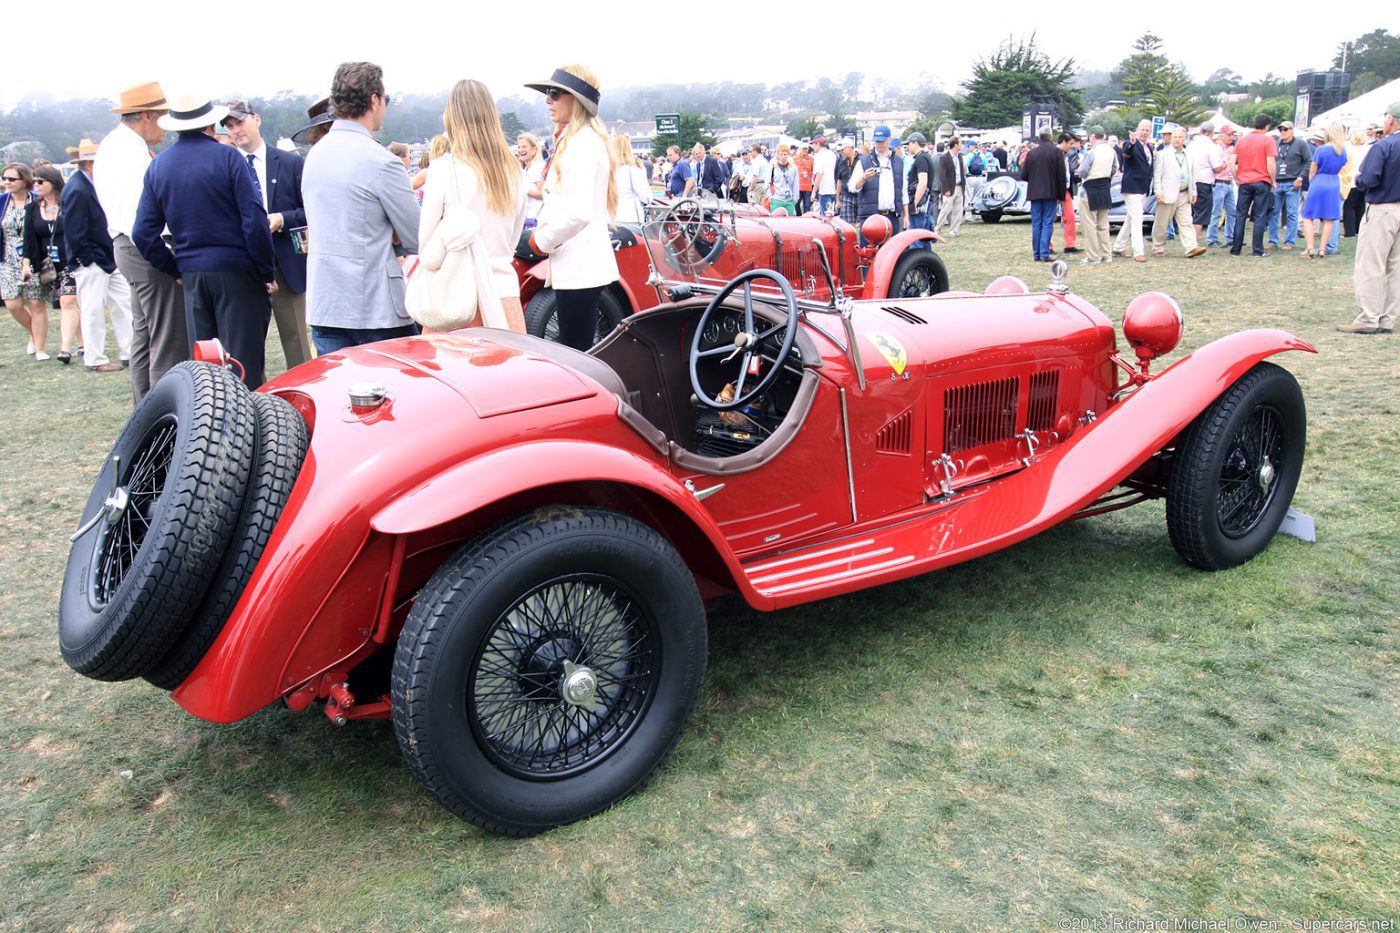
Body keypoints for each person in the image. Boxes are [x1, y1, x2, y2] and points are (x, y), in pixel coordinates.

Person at [132, 96, 276, 388]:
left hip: (193, 273)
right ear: (211, 123)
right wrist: (265, 271)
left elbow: (142, 233)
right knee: (243, 364)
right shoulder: (229, 157)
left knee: (207, 368)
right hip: (237, 271)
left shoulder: (159, 165)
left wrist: (176, 269)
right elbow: (253, 221)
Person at [302, 62, 422, 355]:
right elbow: (416, 235)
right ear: (374, 100)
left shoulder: (314, 156)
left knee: (337, 396)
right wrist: (392, 234)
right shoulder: (381, 161)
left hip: (326, 302)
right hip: (374, 304)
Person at [95, 81, 186, 404]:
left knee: (145, 336)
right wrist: (167, 262)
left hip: (129, 248)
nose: (165, 126)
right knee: (168, 340)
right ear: (147, 115)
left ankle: (145, 410)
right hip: (144, 249)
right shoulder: (129, 153)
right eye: (163, 116)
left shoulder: (115, 146)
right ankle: (165, 417)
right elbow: (144, 222)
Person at [419, 79, 528, 334]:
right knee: (509, 373)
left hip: (456, 301)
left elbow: (427, 249)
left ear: (452, 117)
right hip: (504, 298)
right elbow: (512, 239)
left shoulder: (443, 169)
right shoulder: (513, 170)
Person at [525, 64, 619, 351]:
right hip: (578, 264)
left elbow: (578, 212)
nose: (547, 100)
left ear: (576, 100)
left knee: (577, 354)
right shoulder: (579, 139)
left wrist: (540, 241)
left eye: (554, 93)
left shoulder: (582, 143)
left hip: (579, 265)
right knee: (578, 350)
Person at [221, 98, 312, 370]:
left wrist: (282, 219)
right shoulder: (225, 165)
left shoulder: (290, 162)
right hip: (243, 265)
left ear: (257, 119)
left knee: (297, 339)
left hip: (285, 261)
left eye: (240, 122)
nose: (236, 130)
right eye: (229, 126)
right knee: (245, 345)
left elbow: (309, 209)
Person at [62, 139, 131, 372]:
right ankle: (94, 358)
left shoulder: (88, 185)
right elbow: (74, 232)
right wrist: (87, 259)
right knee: (92, 310)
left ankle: (129, 351)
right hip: (92, 260)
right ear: (91, 164)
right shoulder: (77, 189)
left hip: (105, 257)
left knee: (124, 303)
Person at [1337, 101, 1400, 334]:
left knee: (1371, 264)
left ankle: (1369, 317)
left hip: (1383, 207)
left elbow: (1368, 178)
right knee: (1397, 267)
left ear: (1391, 120)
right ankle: (1388, 318)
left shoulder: (1385, 146)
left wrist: (1359, 181)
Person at [20, 166, 80, 363]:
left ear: (53, 182)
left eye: (40, 182)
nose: (35, 186)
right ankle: (83, 342)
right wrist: (26, 265)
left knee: (68, 302)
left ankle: (65, 349)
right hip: (48, 265)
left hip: (70, 261)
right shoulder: (32, 209)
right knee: (68, 305)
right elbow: (29, 240)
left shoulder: (68, 204)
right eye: (34, 182)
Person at [1, 163, 49, 359]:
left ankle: (40, 348)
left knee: (36, 303)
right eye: (4, 178)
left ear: (24, 181)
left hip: (33, 255)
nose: (6, 182)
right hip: (7, 257)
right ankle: (33, 333)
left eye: (11, 179)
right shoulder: (3, 202)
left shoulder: (37, 201)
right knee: (12, 304)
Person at [1150, 126, 1205, 258]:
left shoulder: (1188, 154)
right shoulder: (1163, 154)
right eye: (1175, 137)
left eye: (1180, 137)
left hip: (1184, 193)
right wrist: (1158, 192)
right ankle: (1158, 246)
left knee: (1186, 221)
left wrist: (1194, 192)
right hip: (1167, 194)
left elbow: (1191, 174)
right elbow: (1157, 176)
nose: (1177, 140)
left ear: (1184, 138)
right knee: (1162, 223)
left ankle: (1191, 247)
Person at [1231, 114, 1277, 258]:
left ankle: (1236, 248)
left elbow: (1231, 163)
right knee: (1259, 216)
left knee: (1240, 215)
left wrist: (1236, 178)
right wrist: (1273, 180)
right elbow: (1271, 163)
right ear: (1267, 126)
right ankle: (1257, 249)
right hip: (1261, 181)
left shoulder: (1242, 140)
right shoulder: (1268, 140)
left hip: (1244, 181)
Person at [849, 125, 903, 243]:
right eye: (877, 141)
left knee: (891, 253)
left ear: (889, 140)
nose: (879, 144)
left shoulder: (899, 162)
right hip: (870, 216)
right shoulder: (863, 161)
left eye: (882, 141)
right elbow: (852, 187)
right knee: (868, 254)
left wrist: (906, 215)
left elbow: (902, 190)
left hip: (892, 216)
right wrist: (864, 178)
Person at [1301, 123, 1346, 259]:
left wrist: (1311, 181)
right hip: (1333, 182)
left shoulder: (1320, 150)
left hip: (1319, 181)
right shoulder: (1342, 151)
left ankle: (1310, 247)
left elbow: (1313, 169)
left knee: (1308, 216)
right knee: (1329, 218)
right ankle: (1322, 248)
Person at [1112, 120, 1154, 262]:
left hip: (1143, 187)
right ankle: (1138, 251)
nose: (1144, 132)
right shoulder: (1130, 144)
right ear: (1137, 129)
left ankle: (1118, 246)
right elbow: (1126, 154)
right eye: (1142, 129)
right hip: (1131, 186)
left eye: (1147, 130)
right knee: (1137, 219)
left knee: (1131, 218)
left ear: (1150, 132)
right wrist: (1131, 142)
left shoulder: (1149, 147)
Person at [1021, 132, 1065, 262]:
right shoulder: (1056, 152)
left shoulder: (1031, 153)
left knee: (1036, 223)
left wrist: (1034, 180)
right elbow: (1061, 176)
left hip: (1034, 193)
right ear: (1050, 137)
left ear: (1040, 138)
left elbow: (1023, 175)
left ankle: (1036, 253)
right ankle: (1044, 253)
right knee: (1047, 222)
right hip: (1051, 192)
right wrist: (1061, 196)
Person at [1076, 126, 1117, 264]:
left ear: (1092, 137)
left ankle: (1093, 256)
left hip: (1090, 188)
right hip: (1105, 187)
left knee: (1089, 225)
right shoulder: (1111, 151)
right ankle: (1107, 254)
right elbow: (1114, 168)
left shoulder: (1091, 152)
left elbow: (1083, 171)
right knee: (1103, 224)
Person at [1269, 121, 1310, 250]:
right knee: (1273, 212)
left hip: (1292, 182)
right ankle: (1272, 240)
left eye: (1285, 129)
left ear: (1292, 130)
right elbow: (1270, 161)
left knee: (1292, 213)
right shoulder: (1275, 145)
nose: (1282, 132)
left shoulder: (1300, 144)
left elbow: (1309, 161)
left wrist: (1300, 177)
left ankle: (1290, 242)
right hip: (1277, 182)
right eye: (1280, 130)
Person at [1187, 121, 1222, 243]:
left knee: (1189, 212)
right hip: (1203, 182)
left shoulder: (1191, 145)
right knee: (1200, 213)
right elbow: (1217, 167)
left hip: (1189, 181)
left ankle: (1189, 240)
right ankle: (1192, 242)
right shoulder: (1211, 147)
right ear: (1211, 133)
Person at [1206, 127, 1237, 248]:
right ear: (1221, 135)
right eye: (1228, 135)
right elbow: (1216, 167)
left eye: (1232, 135)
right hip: (1219, 183)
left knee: (1231, 212)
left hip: (1228, 182)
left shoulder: (1226, 149)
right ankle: (1212, 238)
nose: (1231, 137)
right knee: (1216, 212)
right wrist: (1228, 160)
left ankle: (1230, 237)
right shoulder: (1217, 149)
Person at [611, 134, 650, 225]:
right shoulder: (635, 168)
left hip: (610, 218)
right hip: (631, 217)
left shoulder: (607, 168)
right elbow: (646, 197)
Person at [903, 133, 934, 239]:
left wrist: (914, 204)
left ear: (915, 143)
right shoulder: (925, 157)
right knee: (923, 238)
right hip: (925, 201)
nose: (907, 146)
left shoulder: (921, 158)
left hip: (921, 203)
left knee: (916, 238)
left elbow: (923, 182)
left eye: (909, 143)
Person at [1340, 127, 1370, 238]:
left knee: (1349, 206)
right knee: (1361, 206)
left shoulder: (1348, 149)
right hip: (1364, 181)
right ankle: (1359, 229)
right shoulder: (1369, 149)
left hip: (1351, 180)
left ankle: (1350, 231)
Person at [935, 135, 966, 237]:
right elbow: (942, 175)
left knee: (958, 210)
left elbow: (963, 172)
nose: (962, 145)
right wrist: (946, 189)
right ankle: (938, 228)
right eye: (960, 143)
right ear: (956, 145)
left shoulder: (960, 157)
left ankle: (953, 230)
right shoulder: (945, 157)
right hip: (949, 187)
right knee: (945, 209)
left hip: (959, 186)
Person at [517, 133, 546, 228]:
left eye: (524, 147)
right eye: (519, 147)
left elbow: (545, 195)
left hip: (537, 222)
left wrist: (522, 190)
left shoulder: (537, 167)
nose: (520, 150)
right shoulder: (525, 169)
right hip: (527, 221)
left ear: (534, 150)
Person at [809, 134, 837, 216]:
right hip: (833, 189)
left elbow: (819, 174)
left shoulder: (819, 156)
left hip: (824, 190)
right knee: (831, 215)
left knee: (824, 217)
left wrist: (814, 192)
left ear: (817, 143)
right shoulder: (832, 154)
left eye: (813, 144)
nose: (812, 146)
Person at [767, 146, 799, 214]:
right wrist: (769, 196)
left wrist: (795, 198)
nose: (783, 157)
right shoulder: (772, 167)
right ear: (777, 155)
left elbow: (796, 183)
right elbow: (767, 182)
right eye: (781, 154)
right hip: (776, 199)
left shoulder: (793, 168)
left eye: (785, 154)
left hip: (789, 199)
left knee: (790, 221)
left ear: (788, 155)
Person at [835, 139, 859, 224]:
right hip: (845, 196)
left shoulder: (861, 161)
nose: (841, 152)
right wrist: (837, 200)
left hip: (860, 196)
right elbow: (839, 181)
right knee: (847, 225)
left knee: (860, 225)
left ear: (850, 148)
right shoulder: (842, 162)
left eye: (843, 149)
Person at [795, 144, 813, 214]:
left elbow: (813, 171)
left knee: (807, 206)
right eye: (803, 149)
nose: (804, 151)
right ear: (800, 150)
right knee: (796, 204)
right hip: (798, 186)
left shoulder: (811, 159)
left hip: (808, 187)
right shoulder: (795, 158)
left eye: (806, 149)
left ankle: (807, 220)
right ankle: (799, 217)